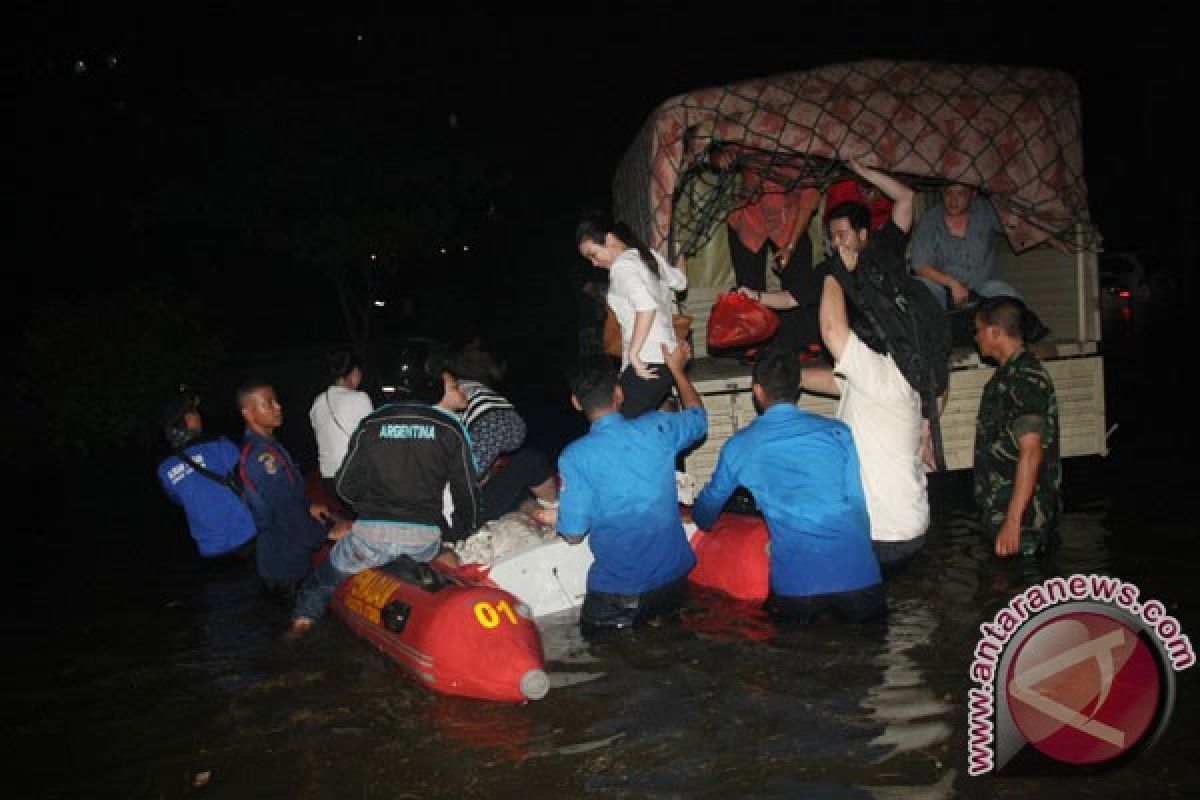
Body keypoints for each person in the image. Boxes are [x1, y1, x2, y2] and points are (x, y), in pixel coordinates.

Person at [794, 158, 939, 570]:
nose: (837, 242)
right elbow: (840, 379)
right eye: (831, 236)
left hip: (882, 359)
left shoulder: (881, 252)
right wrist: (792, 376)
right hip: (878, 366)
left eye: (843, 234)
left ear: (861, 233)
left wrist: (863, 170)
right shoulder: (889, 376)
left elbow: (832, 330)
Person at [289, 340, 480, 635]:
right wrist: (458, 532)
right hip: (424, 539)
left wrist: (365, 510)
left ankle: (300, 628)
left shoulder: (370, 424)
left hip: (369, 540)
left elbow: (344, 485)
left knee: (320, 582)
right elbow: (466, 492)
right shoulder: (450, 428)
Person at [692, 345, 884, 623]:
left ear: (756, 390)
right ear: (798, 387)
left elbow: (707, 511)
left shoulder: (740, 446)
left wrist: (700, 517)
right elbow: (858, 506)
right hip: (861, 581)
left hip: (798, 589)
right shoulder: (837, 433)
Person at [548, 343, 706, 634]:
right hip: (675, 582)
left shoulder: (575, 456)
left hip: (621, 594)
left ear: (576, 402)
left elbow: (573, 533)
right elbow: (698, 418)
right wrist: (677, 372)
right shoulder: (658, 428)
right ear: (619, 393)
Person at [238, 379, 347, 598]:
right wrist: (329, 532)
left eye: (276, 401)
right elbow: (286, 512)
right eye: (268, 403)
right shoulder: (263, 457)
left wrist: (308, 506)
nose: (278, 407)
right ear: (249, 414)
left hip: (283, 557)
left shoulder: (268, 446)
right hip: (284, 564)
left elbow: (280, 496)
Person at [711, 146, 824, 356]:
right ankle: (753, 343)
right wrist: (720, 158)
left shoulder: (803, 144)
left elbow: (809, 200)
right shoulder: (755, 133)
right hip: (750, 217)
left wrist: (790, 246)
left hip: (789, 219)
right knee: (749, 283)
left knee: (799, 279)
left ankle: (802, 342)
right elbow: (718, 153)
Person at [576, 211, 688, 418]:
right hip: (666, 359)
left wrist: (635, 355)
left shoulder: (622, 267)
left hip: (648, 361)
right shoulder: (647, 256)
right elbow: (680, 282)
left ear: (609, 239)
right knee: (635, 427)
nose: (594, 263)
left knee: (618, 427)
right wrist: (680, 251)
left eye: (593, 254)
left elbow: (646, 307)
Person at [973, 296, 1061, 557]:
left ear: (995, 332)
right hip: (1003, 509)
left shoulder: (1025, 379)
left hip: (1024, 521)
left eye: (978, 330)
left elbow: (1032, 450)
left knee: (1023, 588)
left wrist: (1013, 522)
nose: (976, 338)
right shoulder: (1008, 375)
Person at [449, 341, 559, 524]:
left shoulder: (433, 406)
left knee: (516, 489)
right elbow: (467, 477)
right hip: (457, 515)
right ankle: (556, 511)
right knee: (532, 461)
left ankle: (540, 514)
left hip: (434, 505)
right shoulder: (488, 408)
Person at [156, 385, 257, 563]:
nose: (199, 416)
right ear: (184, 421)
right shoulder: (218, 445)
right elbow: (252, 477)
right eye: (193, 413)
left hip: (210, 551)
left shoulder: (163, 469)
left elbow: (179, 499)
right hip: (247, 537)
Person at [309, 349, 373, 514]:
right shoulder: (360, 398)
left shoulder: (318, 402)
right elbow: (373, 438)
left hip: (328, 481)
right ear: (355, 373)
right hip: (352, 479)